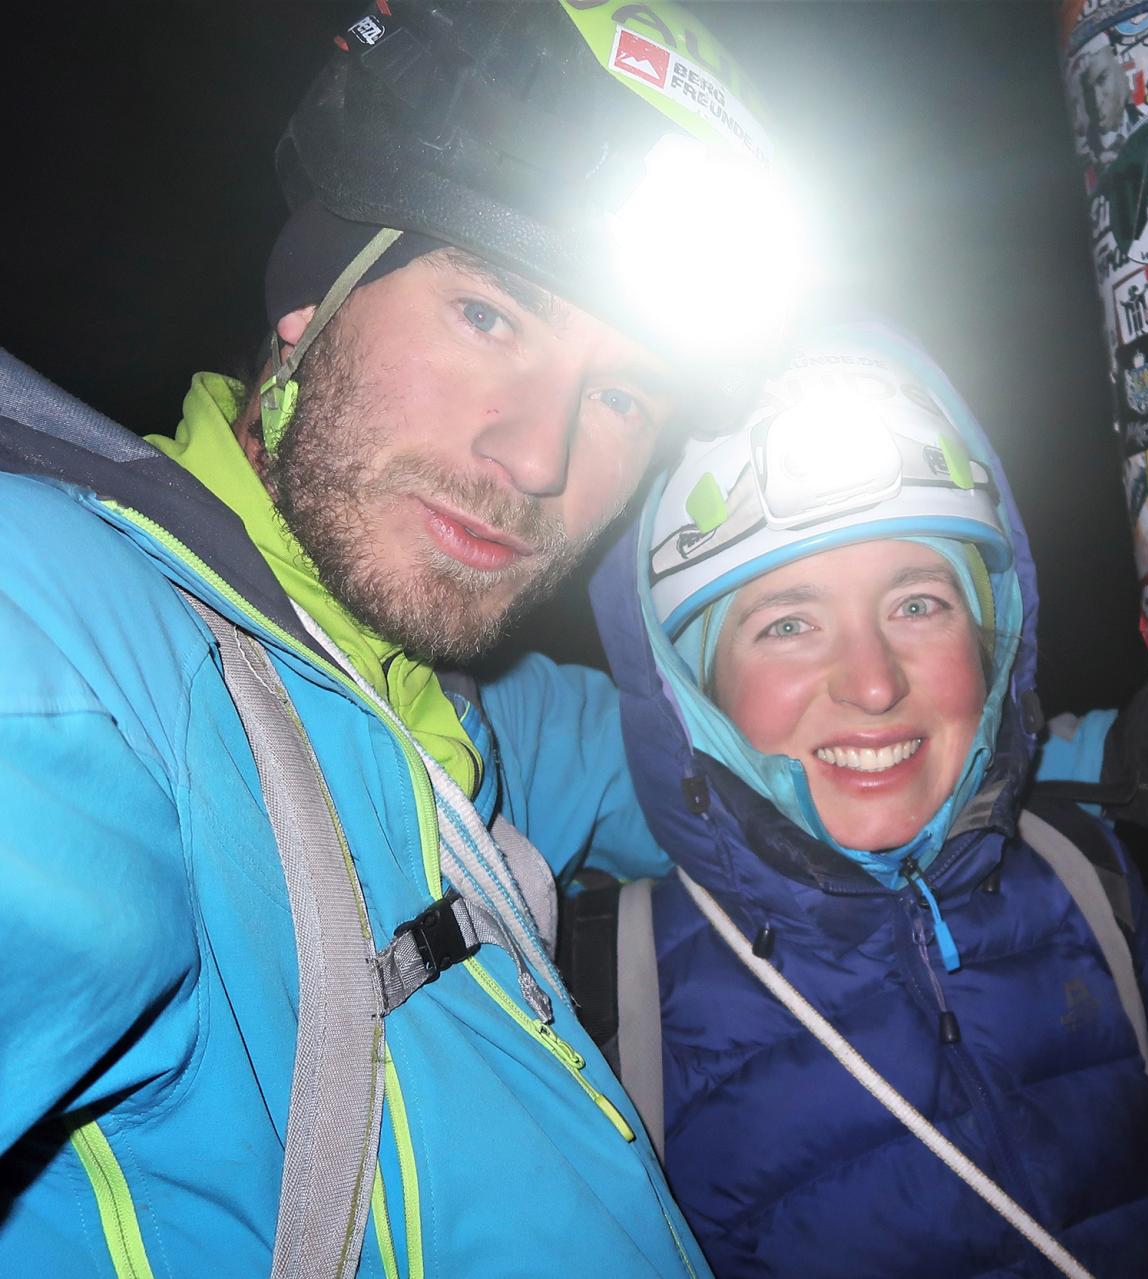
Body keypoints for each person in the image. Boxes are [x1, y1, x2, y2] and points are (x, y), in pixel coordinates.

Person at [0, 3, 794, 1274]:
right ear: (311, 306)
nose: (539, 455)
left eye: (625, 392)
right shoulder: (76, 642)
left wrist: (1103, 747)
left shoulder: (446, 720)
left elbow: (770, 742)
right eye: (487, 315)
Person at [578, 324, 1148, 1278]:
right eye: (788, 623)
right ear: (692, 692)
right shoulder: (609, 1008)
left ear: (993, 637)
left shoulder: (1088, 881)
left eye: (918, 603)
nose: (873, 684)